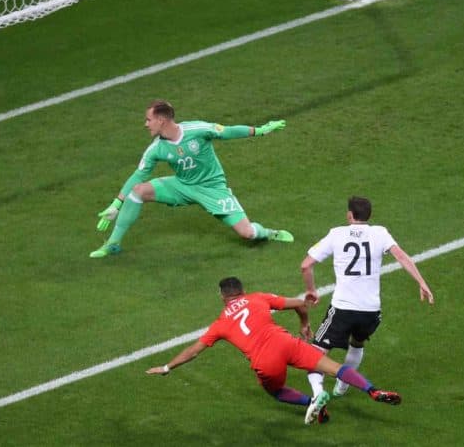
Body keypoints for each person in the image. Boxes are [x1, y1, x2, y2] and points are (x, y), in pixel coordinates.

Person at [147, 277, 402, 425]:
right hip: (286, 342)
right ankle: (372, 390)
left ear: (223, 297)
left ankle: (312, 402)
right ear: (242, 291)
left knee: (276, 391)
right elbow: (300, 303)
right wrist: (304, 324)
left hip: (265, 358)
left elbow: (194, 350)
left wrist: (168, 367)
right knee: (334, 368)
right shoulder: (258, 297)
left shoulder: (220, 323)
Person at [90, 100, 293, 258]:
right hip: (181, 185)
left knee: (247, 233)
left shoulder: (197, 130)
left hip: (212, 188)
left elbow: (228, 131)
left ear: (161, 120)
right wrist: (116, 204)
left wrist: (261, 130)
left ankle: (269, 232)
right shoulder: (156, 148)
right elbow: (139, 174)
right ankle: (112, 244)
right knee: (139, 191)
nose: (146, 124)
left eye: (148, 119)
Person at [301, 196, 434, 399]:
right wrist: (421, 282)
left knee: (315, 354)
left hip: (343, 308)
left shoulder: (336, 234)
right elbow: (401, 255)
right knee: (357, 343)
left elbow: (306, 265)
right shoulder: (380, 233)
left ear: (349, 215)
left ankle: (318, 393)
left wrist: (311, 289)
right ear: (369, 215)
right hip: (371, 311)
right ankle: (342, 386)